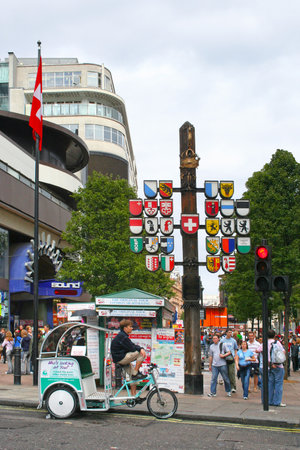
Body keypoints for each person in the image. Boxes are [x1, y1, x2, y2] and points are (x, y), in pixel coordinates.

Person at [111, 319, 146, 396]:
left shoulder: (123, 336)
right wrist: (141, 349)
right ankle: (135, 373)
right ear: (125, 328)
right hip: (120, 358)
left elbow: (132, 345)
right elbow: (132, 348)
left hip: (120, 358)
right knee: (141, 354)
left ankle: (133, 397)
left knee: (133, 379)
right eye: (130, 326)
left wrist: (140, 347)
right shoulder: (122, 337)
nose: (132, 328)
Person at [257, 329, 286, 407]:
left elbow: (258, 350)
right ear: (274, 335)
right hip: (278, 365)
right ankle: (277, 401)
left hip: (269, 366)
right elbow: (283, 352)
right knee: (278, 384)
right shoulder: (277, 343)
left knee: (270, 384)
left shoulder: (264, 344)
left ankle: (269, 400)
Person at [221, 329, 238, 393]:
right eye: (229, 332)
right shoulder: (222, 340)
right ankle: (227, 387)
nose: (230, 333)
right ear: (226, 333)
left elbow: (235, 349)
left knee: (231, 373)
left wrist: (235, 355)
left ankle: (233, 387)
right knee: (225, 374)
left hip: (231, 358)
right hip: (224, 359)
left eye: (231, 332)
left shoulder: (233, 341)